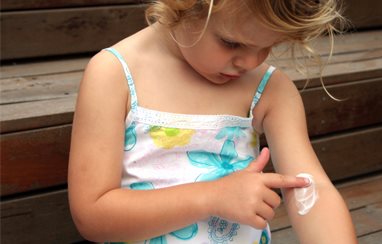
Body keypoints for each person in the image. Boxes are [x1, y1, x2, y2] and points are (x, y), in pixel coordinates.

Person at [68, 0, 357, 243]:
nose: (250, 62)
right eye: (231, 43)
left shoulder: (268, 89)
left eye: (268, 46)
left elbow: (309, 188)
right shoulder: (114, 75)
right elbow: (92, 215)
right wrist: (211, 198)